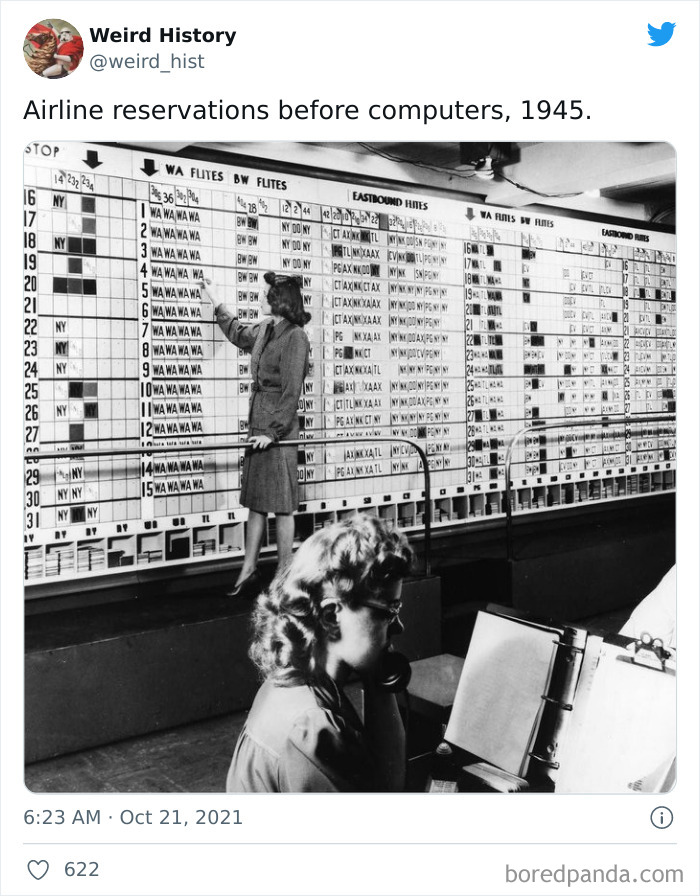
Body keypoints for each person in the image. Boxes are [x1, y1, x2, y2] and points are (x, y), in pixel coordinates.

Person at [227, 515, 413, 792]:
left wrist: (380, 683)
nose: (399, 626)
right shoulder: (309, 728)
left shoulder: (298, 684)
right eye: (388, 611)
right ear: (330, 617)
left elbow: (383, 782)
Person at [200, 272, 311, 596]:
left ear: (280, 300)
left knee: (283, 505)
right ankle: (248, 569)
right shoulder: (265, 328)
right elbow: (236, 332)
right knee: (257, 502)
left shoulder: (296, 337)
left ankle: (284, 575)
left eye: (265, 294)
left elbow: (292, 393)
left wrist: (273, 433)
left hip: (278, 429)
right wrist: (215, 298)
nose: (260, 297)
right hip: (258, 423)